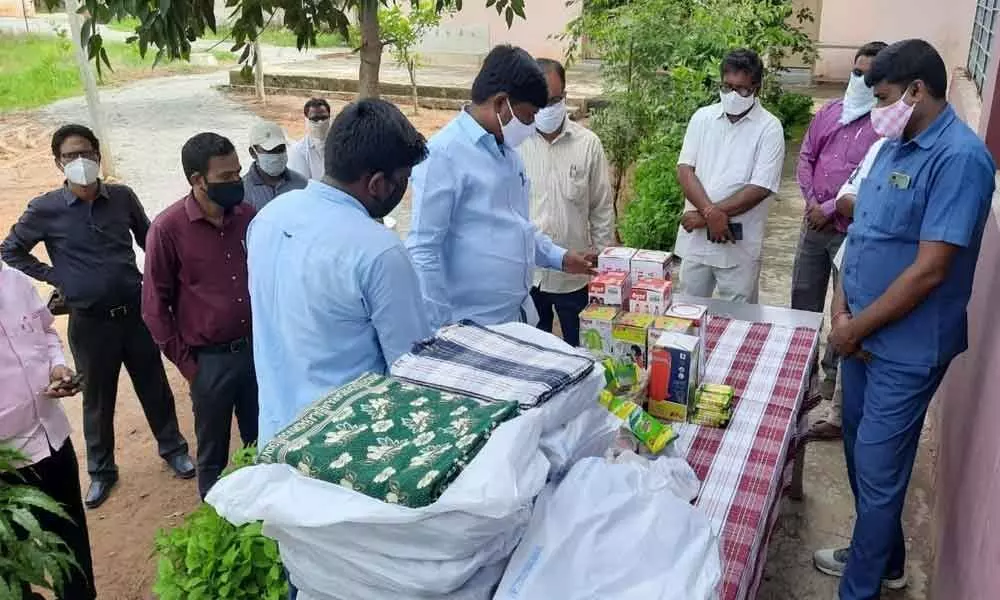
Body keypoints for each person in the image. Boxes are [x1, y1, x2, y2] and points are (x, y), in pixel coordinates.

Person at [816, 39, 996, 600]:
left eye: (886, 96)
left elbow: (930, 270)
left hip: (905, 348)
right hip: (860, 335)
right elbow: (861, 236)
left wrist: (857, 327)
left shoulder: (961, 160)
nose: (878, 110)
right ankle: (885, 556)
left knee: (878, 468)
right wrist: (844, 312)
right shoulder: (895, 145)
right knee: (855, 450)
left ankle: (859, 587)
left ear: (917, 90)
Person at [0, 124, 193, 509]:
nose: (81, 161)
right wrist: (58, 277)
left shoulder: (121, 198)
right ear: (59, 162)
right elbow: (11, 250)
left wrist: (163, 289)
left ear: (98, 156)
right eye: (71, 156)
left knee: (154, 386)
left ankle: (173, 448)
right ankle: (102, 472)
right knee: (97, 400)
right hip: (90, 323)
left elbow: (150, 240)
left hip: (135, 314)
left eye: (87, 152)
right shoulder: (45, 209)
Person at [249, 98, 431, 447]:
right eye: (404, 179)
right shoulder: (380, 251)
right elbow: (412, 374)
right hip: (345, 451)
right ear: (378, 184)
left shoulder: (270, 218)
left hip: (277, 436)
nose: (405, 190)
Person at [407, 44, 595, 331]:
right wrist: (440, 329)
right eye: (528, 116)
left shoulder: (508, 154)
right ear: (500, 103)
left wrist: (559, 257)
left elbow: (518, 227)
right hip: (471, 326)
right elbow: (424, 249)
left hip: (515, 316)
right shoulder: (443, 156)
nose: (532, 126)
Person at [142, 133, 259, 499]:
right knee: (213, 452)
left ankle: (266, 518)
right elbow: (154, 308)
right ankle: (217, 517)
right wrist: (190, 366)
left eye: (238, 173)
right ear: (197, 180)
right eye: (225, 177)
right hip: (209, 362)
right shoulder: (167, 229)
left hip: (257, 353)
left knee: (263, 440)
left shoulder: (248, 217)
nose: (236, 182)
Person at [795, 41, 886, 441]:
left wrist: (830, 208)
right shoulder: (830, 113)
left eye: (869, 75)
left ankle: (832, 392)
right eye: (856, 71)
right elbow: (804, 158)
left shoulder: (884, 127)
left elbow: (866, 184)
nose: (860, 80)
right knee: (802, 301)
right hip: (812, 228)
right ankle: (801, 379)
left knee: (842, 311)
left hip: (849, 236)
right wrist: (813, 203)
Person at [0, 262, 95, 600]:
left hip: (51, 438)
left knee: (71, 537)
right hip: (7, 464)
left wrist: (57, 366)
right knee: (13, 569)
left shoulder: (15, 281)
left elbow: (47, 333)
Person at [675, 48, 785, 303]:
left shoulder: (769, 128)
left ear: (757, 87)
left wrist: (705, 217)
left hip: (738, 246)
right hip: (697, 244)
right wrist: (711, 215)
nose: (733, 95)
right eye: (727, 87)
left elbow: (760, 187)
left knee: (738, 322)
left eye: (742, 89)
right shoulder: (702, 118)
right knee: (687, 315)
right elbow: (685, 169)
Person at [518, 58, 615, 347]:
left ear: (565, 97)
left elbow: (601, 207)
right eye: (541, 101)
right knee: (533, 351)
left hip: (575, 275)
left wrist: (601, 257)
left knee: (582, 348)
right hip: (529, 275)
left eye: (555, 99)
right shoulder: (516, 145)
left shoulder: (588, 144)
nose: (548, 108)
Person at [242, 121, 308, 210]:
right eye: (270, 150)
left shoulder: (301, 184)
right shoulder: (243, 191)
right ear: (253, 153)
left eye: (281, 149)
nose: (276, 156)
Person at [288, 97, 332, 180]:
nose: (320, 122)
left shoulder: (340, 146)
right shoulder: (298, 151)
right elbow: (302, 185)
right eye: (315, 119)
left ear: (329, 118)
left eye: (323, 118)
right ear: (307, 120)